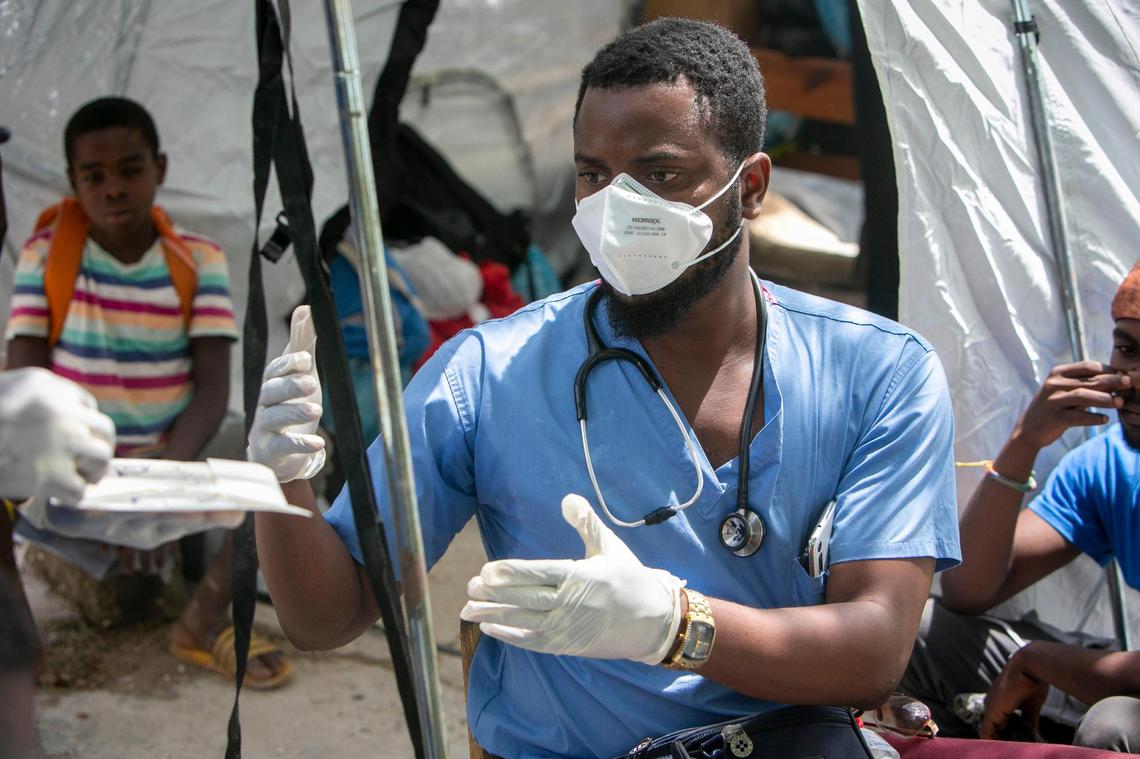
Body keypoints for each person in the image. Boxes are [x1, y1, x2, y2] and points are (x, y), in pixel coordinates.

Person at [248, 18, 959, 758]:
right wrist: (282, 482)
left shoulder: (879, 373)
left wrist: (676, 626)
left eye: (661, 175)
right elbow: (327, 615)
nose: (619, 208)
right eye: (593, 175)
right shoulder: (490, 374)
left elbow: (874, 649)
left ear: (749, 188)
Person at [4, 96, 290, 689]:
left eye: (130, 169)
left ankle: (203, 618)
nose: (113, 188)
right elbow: (26, 385)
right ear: (73, 182)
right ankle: (18, 645)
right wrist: (100, 486)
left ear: (159, 168)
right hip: (75, 472)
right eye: (94, 176)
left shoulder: (198, 259)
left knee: (289, 460)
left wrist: (157, 488)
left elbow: (213, 389)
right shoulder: (46, 256)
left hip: (167, 462)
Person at [900, 263, 1140, 752]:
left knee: (1113, 724)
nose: (1134, 379)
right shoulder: (1110, 464)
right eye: (1128, 350)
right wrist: (1025, 441)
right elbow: (969, 592)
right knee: (913, 632)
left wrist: (1039, 661)